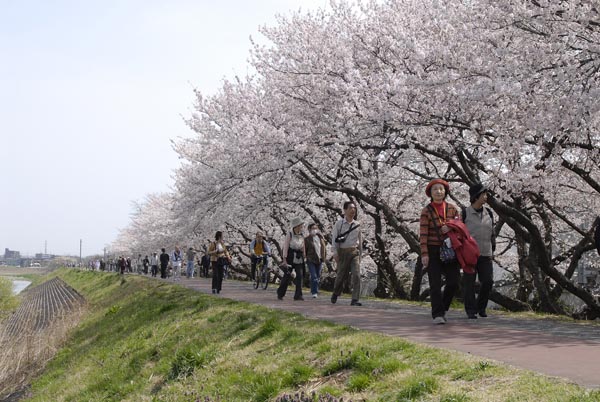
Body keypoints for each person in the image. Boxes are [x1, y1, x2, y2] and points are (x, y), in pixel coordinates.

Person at [419, 178, 462, 324]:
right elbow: (423, 234)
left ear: (445, 191)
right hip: (433, 249)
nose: (438, 191)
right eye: (435, 189)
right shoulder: (426, 211)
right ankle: (437, 314)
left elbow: (460, 227)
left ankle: (443, 308)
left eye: (441, 189)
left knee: (453, 282)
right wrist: (424, 254)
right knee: (435, 284)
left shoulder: (452, 208)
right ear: (430, 193)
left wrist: (450, 226)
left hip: (450, 248)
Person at [462, 183, 495, 319]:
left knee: (487, 281)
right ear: (476, 196)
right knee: (469, 283)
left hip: (486, 253)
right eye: (484, 194)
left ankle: (481, 307)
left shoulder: (489, 213)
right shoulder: (465, 213)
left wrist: (493, 250)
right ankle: (471, 310)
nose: (486, 197)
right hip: (469, 255)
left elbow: (492, 233)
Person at [331, 201, 363, 306]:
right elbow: (334, 239)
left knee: (356, 275)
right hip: (342, 252)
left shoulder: (357, 224)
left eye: (354, 208)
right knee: (340, 276)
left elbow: (360, 241)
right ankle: (336, 292)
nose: (353, 210)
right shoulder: (339, 224)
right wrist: (335, 252)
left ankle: (355, 299)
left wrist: (360, 255)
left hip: (354, 252)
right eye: (350, 208)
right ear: (345, 210)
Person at [277, 217, 306, 301]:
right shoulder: (289, 234)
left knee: (300, 275)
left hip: (299, 257)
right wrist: (284, 259)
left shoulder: (301, 235)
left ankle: (298, 295)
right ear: (296, 226)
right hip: (290, 256)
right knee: (287, 275)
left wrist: (304, 255)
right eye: (301, 225)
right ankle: (280, 293)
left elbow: (303, 246)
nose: (302, 227)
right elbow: (285, 247)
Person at [305, 223, 327, 298]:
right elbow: (305, 250)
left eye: (316, 228)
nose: (315, 230)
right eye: (313, 228)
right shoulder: (307, 239)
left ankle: (314, 289)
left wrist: (324, 258)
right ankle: (314, 292)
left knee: (317, 276)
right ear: (309, 230)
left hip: (320, 259)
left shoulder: (321, 238)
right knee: (314, 276)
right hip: (311, 259)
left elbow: (324, 249)